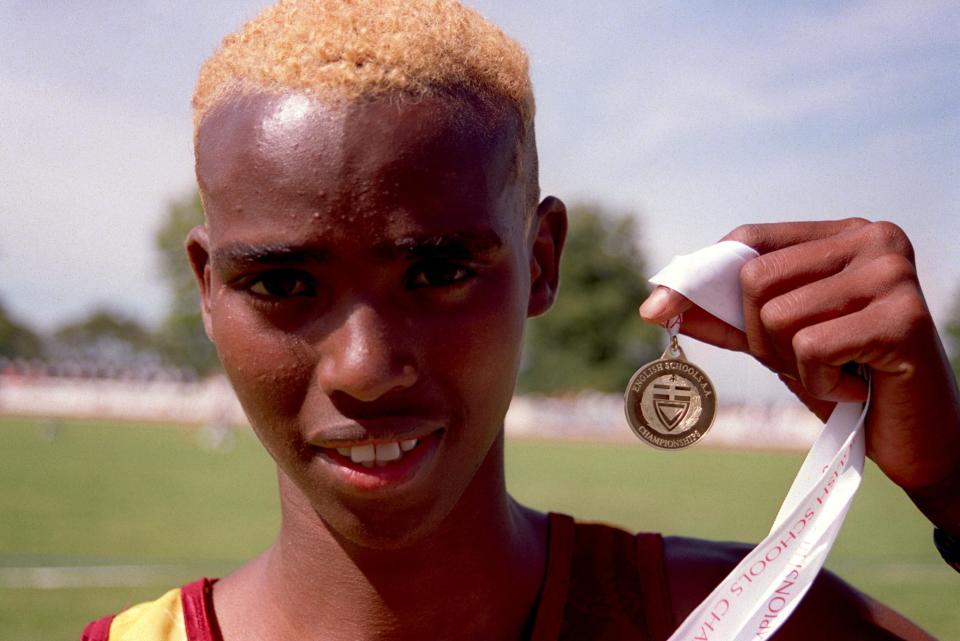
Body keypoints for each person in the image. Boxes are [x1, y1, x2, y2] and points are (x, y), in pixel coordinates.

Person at [82, 1, 959, 639]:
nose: (363, 367)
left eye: (437, 270)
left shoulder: (748, 621)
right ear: (208, 287)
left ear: (541, 261)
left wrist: (953, 482)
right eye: (280, 283)